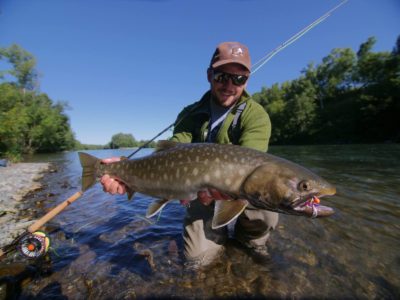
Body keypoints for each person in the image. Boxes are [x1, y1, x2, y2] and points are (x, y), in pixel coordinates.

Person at [100, 42, 279, 266]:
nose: (229, 85)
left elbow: (254, 169)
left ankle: (251, 240)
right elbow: (170, 154)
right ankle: (217, 233)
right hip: (198, 192)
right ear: (209, 75)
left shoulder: (256, 116)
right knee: (198, 261)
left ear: (247, 80)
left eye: (239, 79)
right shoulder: (189, 114)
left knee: (266, 196)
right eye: (222, 76)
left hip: (240, 191)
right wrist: (123, 169)